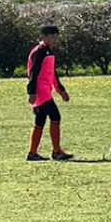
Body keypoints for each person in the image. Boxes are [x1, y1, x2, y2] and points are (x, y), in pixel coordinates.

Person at [25, 24, 72, 161]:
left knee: (40, 121)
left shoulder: (48, 51)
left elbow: (52, 74)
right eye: (52, 37)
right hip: (40, 93)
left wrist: (61, 90)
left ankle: (33, 153)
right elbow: (33, 72)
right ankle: (56, 152)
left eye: (56, 37)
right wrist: (32, 92)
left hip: (46, 91)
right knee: (55, 117)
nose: (54, 40)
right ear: (43, 37)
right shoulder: (39, 52)